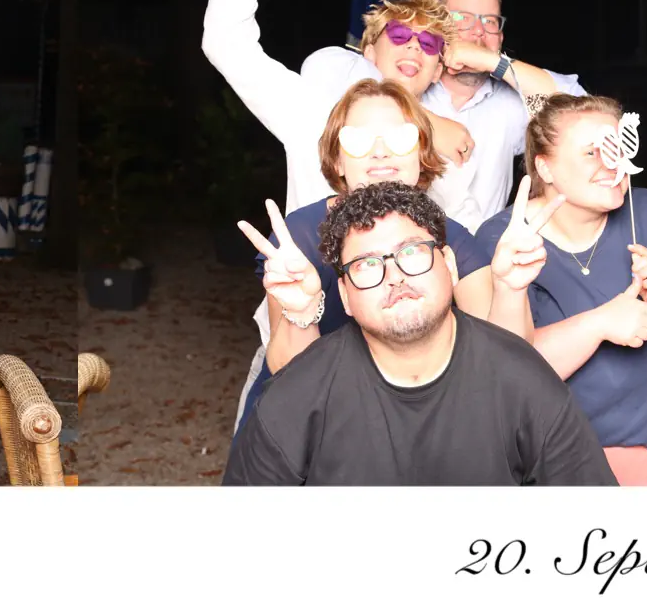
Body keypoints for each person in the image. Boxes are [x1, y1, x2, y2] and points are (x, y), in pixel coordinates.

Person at [224, 181, 615, 486]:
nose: (394, 276)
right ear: (344, 295)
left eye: (411, 252)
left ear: (450, 265)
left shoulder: (525, 383)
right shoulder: (296, 398)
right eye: (366, 265)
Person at [470, 94, 647, 485]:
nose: (611, 163)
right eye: (591, 152)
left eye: (618, 147)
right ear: (544, 167)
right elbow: (502, 377)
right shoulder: (506, 241)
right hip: (550, 464)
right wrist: (599, 324)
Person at [231, 79, 496, 436]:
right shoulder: (299, 239)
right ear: (337, 160)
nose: (380, 152)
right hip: (310, 425)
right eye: (358, 140)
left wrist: (511, 287)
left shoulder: (453, 239)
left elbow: (496, 358)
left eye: (399, 138)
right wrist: (300, 313)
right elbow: (287, 372)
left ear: (421, 152)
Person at [202, 0, 473, 216]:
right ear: (368, 53)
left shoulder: (450, 147)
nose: (414, 46)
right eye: (399, 35)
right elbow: (224, 41)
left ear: (437, 71)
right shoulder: (313, 112)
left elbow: (461, 228)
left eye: (428, 43)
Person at [419, 0, 585, 229]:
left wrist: (493, 61)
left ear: (501, 39)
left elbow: (582, 112)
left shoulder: (511, 105)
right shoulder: (409, 87)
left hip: (486, 250)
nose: (478, 32)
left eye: (490, 21)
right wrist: (423, 120)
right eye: (462, 18)